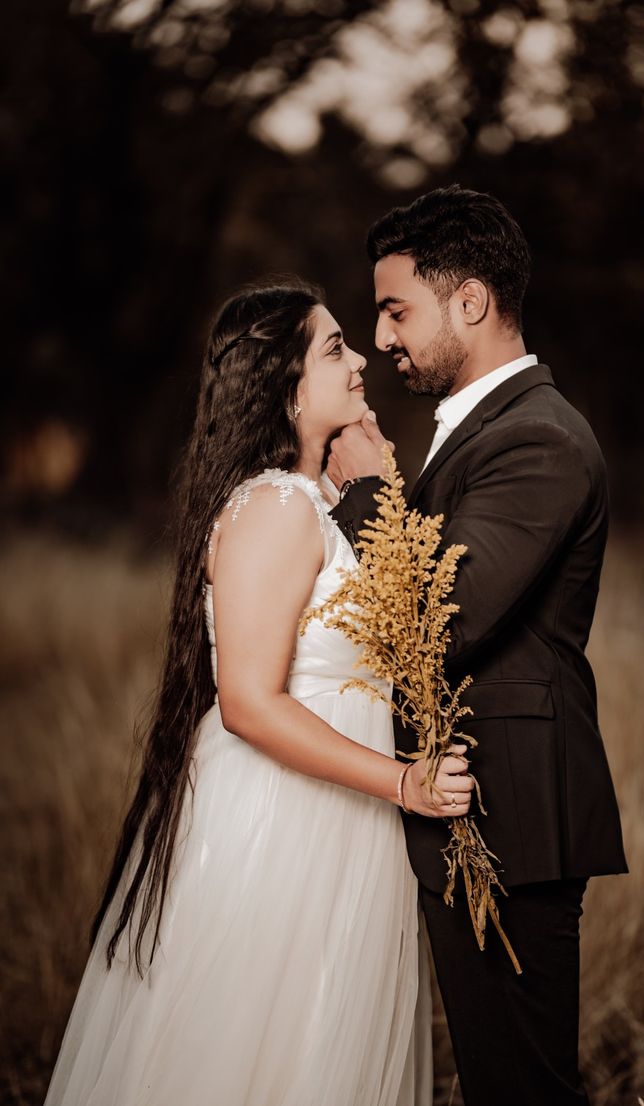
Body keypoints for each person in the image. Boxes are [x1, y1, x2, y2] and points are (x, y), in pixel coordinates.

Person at [44, 283, 473, 1106]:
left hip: (336, 813)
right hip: (282, 819)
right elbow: (246, 701)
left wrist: (376, 488)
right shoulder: (275, 507)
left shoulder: (314, 504)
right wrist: (403, 784)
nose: (359, 363)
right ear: (286, 386)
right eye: (335, 350)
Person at [328, 186, 629, 1106]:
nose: (381, 338)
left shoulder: (540, 440)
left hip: (508, 819)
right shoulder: (480, 432)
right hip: (462, 807)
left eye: (394, 310)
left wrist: (367, 493)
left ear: (471, 302)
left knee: (522, 1090)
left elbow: (442, 617)